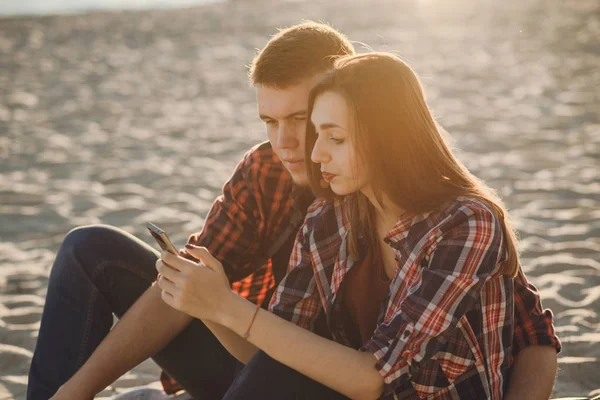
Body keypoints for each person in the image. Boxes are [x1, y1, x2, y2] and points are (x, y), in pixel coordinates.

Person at [28, 22, 560, 400]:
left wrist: (226, 308)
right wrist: (210, 302)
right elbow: (249, 338)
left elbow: (528, 330)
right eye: (268, 121)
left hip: (361, 381)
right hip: (278, 374)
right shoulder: (307, 201)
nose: (293, 147)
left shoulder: (457, 219)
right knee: (87, 249)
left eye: (314, 125)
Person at [153, 52, 552, 399]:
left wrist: (227, 306)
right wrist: (206, 305)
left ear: (388, 139)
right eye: (317, 135)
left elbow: (375, 378)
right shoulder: (328, 217)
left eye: (335, 138)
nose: (315, 152)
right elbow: (269, 350)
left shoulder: (466, 225)